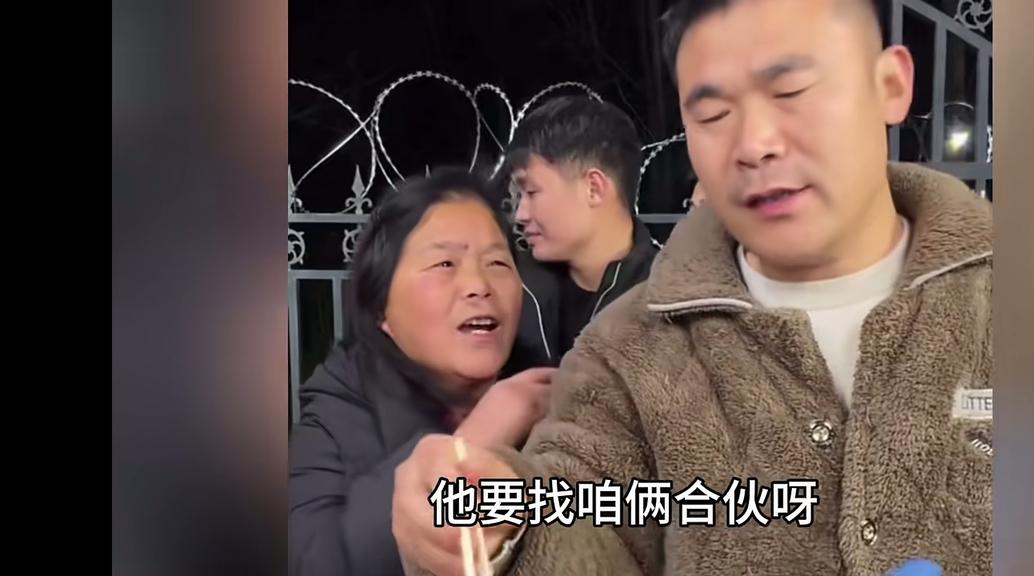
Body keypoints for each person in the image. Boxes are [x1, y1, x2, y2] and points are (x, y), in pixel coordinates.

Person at [394, 0, 994, 574]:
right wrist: (491, 522)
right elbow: (573, 517)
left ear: (890, 85)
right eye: (712, 116)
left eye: (791, 92)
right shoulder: (625, 356)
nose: (754, 144)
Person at [288, 168, 556, 576]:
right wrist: (476, 439)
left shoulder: (556, 394)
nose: (479, 285)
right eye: (445, 263)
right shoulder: (335, 410)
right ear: (381, 309)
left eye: (497, 262)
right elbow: (314, 562)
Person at [502, 96, 660, 367]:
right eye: (519, 196)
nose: (521, 215)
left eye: (531, 191)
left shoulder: (670, 299)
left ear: (593, 188)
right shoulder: (511, 288)